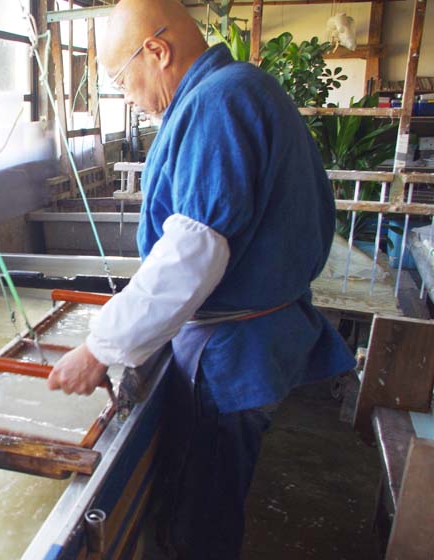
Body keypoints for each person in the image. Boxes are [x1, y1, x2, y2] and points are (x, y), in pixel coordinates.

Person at [45, 0, 356, 557]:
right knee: (216, 497)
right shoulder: (243, 88)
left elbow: (192, 254)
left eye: (122, 79)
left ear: (157, 52)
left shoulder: (220, 103)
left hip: (229, 354)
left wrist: (97, 348)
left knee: (200, 519)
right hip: (257, 338)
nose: (129, 98)